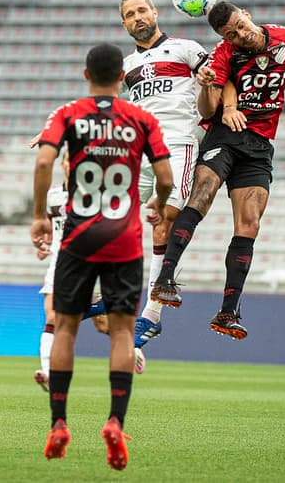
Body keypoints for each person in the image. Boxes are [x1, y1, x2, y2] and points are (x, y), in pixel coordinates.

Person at [150, 1, 285, 339]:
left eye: (241, 25)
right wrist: (213, 90)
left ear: (248, 16)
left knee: (250, 223)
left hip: (259, 147)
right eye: (231, 33)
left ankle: (228, 312)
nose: (240, 35)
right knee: (202, 195)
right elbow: (207, 109)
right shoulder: (224, 53)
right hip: (225, 136)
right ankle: (164, 279)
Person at [30, 43, 173, 470]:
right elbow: (164, 177)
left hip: (78, 236)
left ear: (85, 73)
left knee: (66, 328)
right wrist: (157, 203)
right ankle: (115, 421)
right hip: (124, 239)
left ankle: (58, 423)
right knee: (122, 333)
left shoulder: (68, 113)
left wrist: (39, 216)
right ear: (123, 76)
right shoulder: (143, 118)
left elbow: (42, 163)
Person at [119, 0, 210, 371]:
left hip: (176, 141)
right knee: (116, 221)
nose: (138, 17)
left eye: (142, 10)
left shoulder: (187, 48)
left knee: (166, 219)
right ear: (124, 24)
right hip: (138, 146)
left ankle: (152, 313)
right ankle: (113, 295)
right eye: (129, 14)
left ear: (156, 12)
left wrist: (208, 80)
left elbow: (216, 75)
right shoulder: (126, 66)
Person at [33, 147, 109, 392]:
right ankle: (48, 372)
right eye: (68, 160)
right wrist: (43, 247)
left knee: (104, 325)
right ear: (63, 164)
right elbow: (49, 229)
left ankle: (132, 347)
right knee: (52, 315)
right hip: (59, 263)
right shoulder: (53, 196)